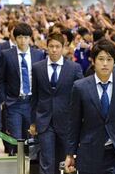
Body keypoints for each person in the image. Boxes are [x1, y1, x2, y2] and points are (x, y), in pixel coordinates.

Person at [65, 39, 115, 174]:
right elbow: (73, 122)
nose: (105, 64)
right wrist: (70, 154)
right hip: (89, 152)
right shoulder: (80, 87)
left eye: (109, 59)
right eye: (101, 59)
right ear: (93, 61)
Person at [30, 33, 83, 174]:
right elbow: (34, 95)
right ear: (46, 47)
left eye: (57, 47)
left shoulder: (74, 68)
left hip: (66, 121)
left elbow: (80, 96)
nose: (54, 50)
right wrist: (33, 122)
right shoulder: (37, 67)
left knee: (64, 161)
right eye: (51, 46)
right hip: (44, 120)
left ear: (63, 48)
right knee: (46, 160)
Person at [0, 23, 45, 154]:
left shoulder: (38, 55)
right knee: (16, 138)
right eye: (19, 37)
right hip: (14, 102)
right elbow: (0, 79)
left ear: (30, 38)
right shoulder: (7, 55)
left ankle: (29, 166)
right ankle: (17, 165)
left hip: (32, 103)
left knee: (31, 139)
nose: (22, 40)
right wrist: (3, 99)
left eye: (25, 37)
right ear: (15, 38)